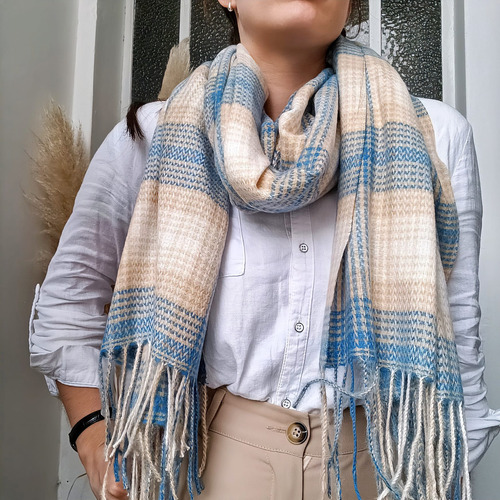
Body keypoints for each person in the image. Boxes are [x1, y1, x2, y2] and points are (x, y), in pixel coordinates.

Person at [29, 0, 500, 499]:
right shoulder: (153, 136)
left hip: (379, 471)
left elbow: (459, 347)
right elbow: (68, 306)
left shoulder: (434, 136)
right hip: (208, 468)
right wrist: (93, 435)